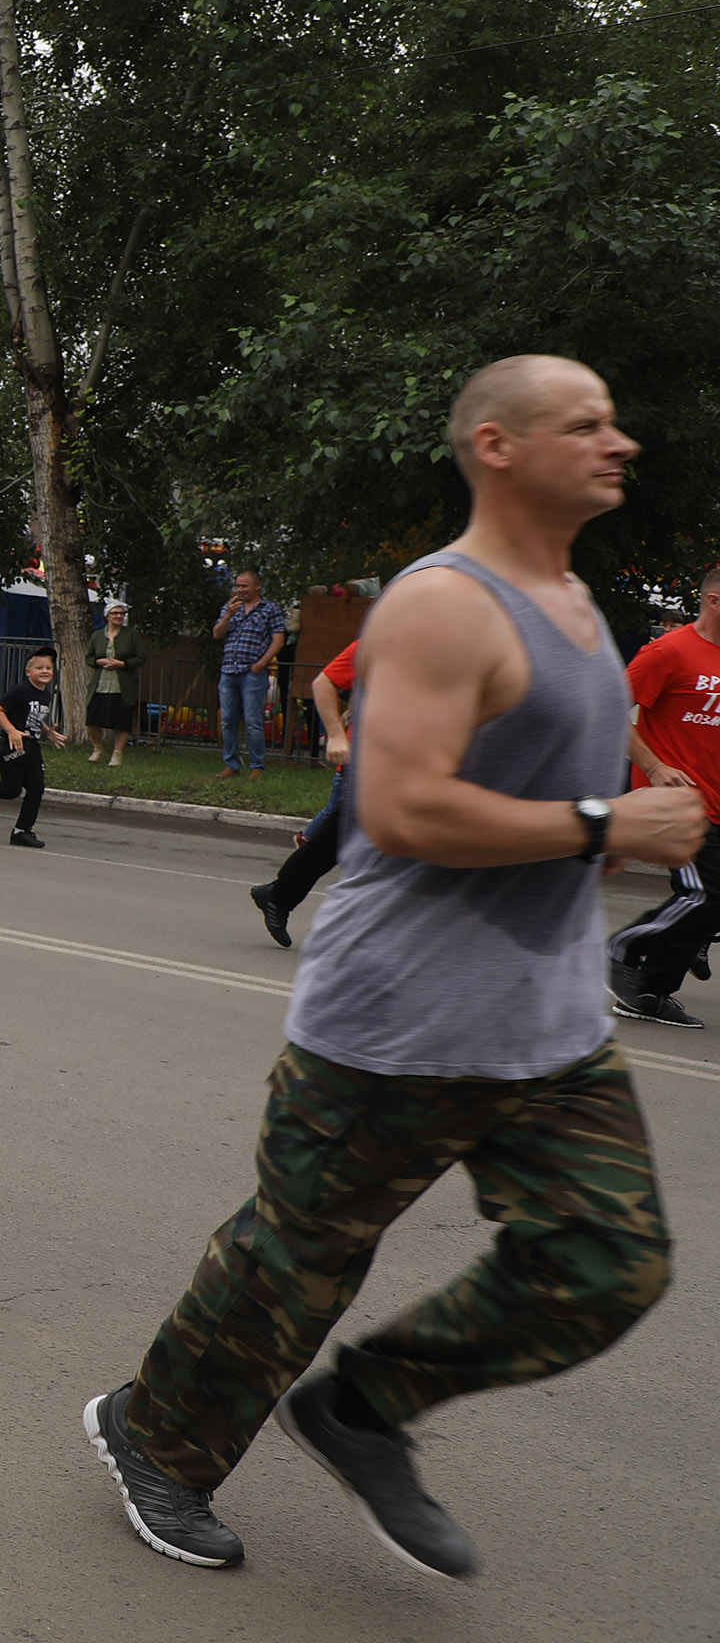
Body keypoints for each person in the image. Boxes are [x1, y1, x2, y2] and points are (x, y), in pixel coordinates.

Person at [85, 355, 691, 1579]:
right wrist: (606, 824)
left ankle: (362, 1408)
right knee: (292, 1266)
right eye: (586, 423)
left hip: (548, 1020)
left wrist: (644, 785)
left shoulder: (576, 598)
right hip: (393, 1021)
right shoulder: (442, 603)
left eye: (614, 419)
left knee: (607, 1260)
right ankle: (153, 1433)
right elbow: (403, 807)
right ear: (497, 444)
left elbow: (562, 734)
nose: (617, 441)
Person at [606, 559, 720, 1027]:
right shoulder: (669, 651)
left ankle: (650, 992)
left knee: (708, 901)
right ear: (714, 599)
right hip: (681, 805)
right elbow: (610, 709)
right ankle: (623, 948)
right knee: (705, 894)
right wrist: (653, 766)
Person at [250, 640, 361, 949]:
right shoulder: (376, 645)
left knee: (340, 840)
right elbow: (324, 682)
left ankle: (278, 895)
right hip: (368, 762)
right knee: (350, 841)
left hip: (408, 766)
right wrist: (337, 735)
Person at [0, 644, 63, 847]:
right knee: (10, 790)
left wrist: (48, 731)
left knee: (37, 788)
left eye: (48, 668)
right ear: (28, 672)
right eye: (40, 668)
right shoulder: (21, 690)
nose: (45, 671)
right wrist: (12, 731)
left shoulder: (45, 694)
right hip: (12, 746)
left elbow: (34, 717)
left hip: (32, 747)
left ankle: (21, 831)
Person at [211, 568, 288, 775]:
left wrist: (262, 663)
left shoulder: (269, 609)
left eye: (245, 586)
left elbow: (279, 639)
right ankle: (231, 764)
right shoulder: (230, 607)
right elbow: (217, 634)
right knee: (227, 720)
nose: (241, 590)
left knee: (253, 721)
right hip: (229, 670)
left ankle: (257, 766)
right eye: (238, 586)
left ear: (257, 586)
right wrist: (228, 615)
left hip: (252, 673)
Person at [88, 602, 146, 766]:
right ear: (107, 616)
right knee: (92, 720)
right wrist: (98, 661)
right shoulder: (98, 636)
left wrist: (123, 664)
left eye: (122, 613)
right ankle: (98, 748)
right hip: (100, 684)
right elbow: (89, 657)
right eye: (115, 613)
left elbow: (141, 658)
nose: (119, 616)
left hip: (122, 686)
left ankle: (117, 753)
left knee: (121, 721)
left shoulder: (131, 635)